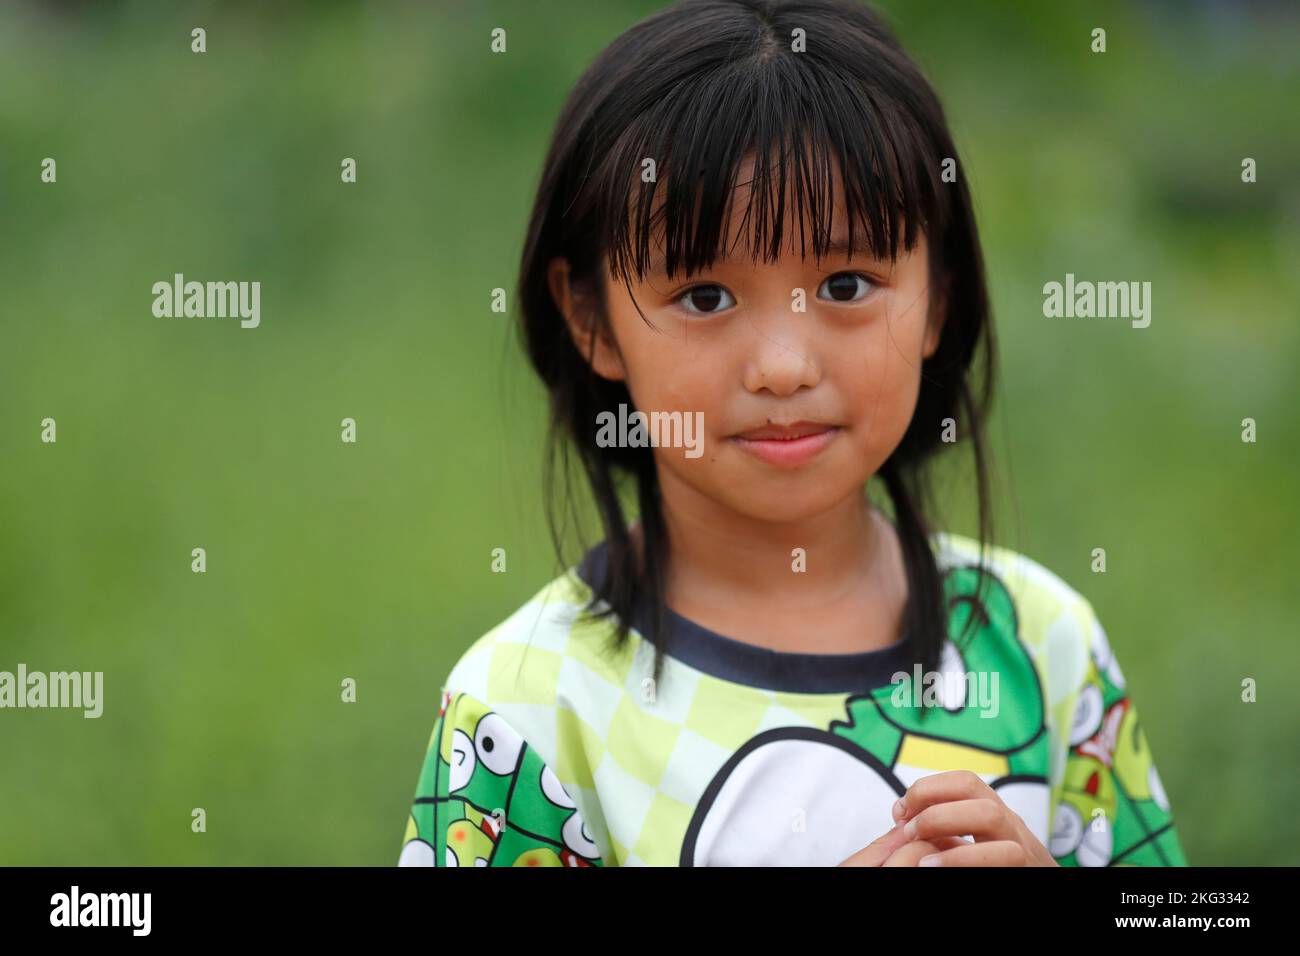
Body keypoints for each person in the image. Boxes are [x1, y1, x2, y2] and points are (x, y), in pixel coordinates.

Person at [398, 0, 1187, 867]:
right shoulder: (529, 715)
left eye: (847, 284)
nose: (783, 366)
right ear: (591, 319)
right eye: (704, 297)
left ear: (939, 298)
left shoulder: (1044, 644)